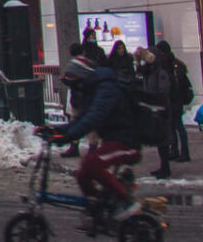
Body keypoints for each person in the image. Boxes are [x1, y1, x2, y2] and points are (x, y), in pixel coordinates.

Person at [41, 56, 146, 231]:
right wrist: (57, 131)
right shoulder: (93, 90)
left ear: (82, 76)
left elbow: (93, 118)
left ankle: (124, 202)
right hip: (113, 140)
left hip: (126, 142)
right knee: (83, 173)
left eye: (73, 79)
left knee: (92, 163)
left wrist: (67, 137)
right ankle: (99, 208)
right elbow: (81, 119)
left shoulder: (106, 89)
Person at [152, 41, 192, 166]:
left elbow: (174, 84)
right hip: (175, 100)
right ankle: (177, 151)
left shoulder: (168, 65)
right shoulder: (175, 64)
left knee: (176, 127)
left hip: (173, 100)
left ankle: (181, 152)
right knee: (174, 127)